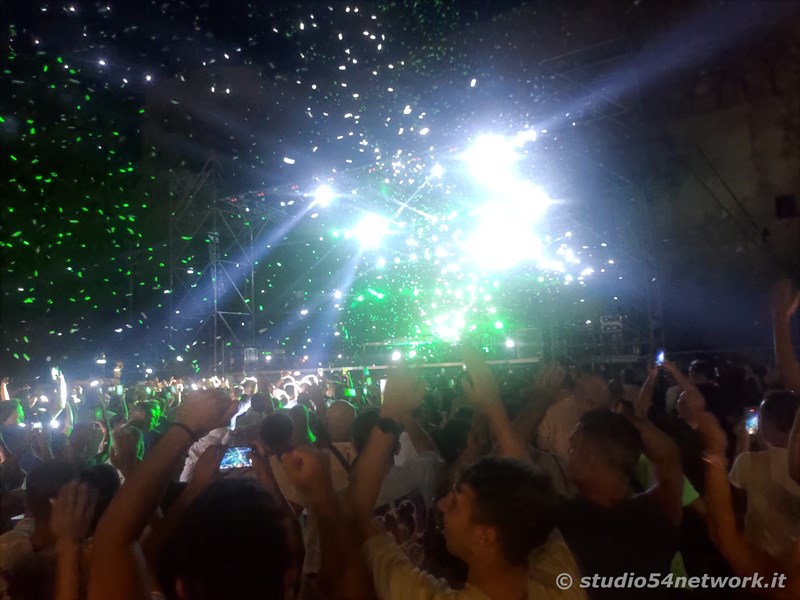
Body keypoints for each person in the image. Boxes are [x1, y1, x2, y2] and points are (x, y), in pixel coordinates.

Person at [345, 359, 586, 600]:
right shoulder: (562, 583)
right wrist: (494, 407)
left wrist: (391, 413)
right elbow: (531, 494)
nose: (441, 503)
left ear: (487, 535)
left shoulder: (419, 594)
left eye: (456, 502)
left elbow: (357, 513)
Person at [558, 409, 683, 600]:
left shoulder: (563, 518)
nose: (568, 451)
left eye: (573, 447)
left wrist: (540, 398)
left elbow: (510, 450)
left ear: (589, 460)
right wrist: (625, 417)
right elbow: (669, 454)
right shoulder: (658, 513)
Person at [729, 390, 800, 562]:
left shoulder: (747, 461)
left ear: (767, 423)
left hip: (759, 556)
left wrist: (742, 443)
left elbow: (734, 496)